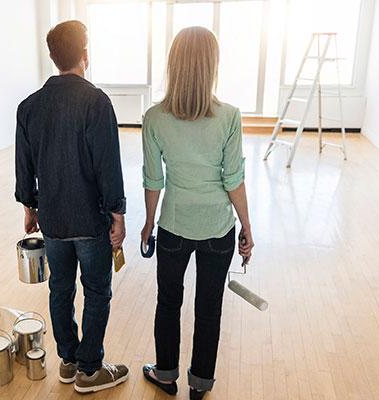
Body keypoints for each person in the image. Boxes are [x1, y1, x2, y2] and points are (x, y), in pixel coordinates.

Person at [14, 20, 129, 394]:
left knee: (60, 289)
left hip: (54, 220)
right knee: (96, 292)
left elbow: (24, 167)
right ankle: (90, 369)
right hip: (90, 220)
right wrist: (118, 214)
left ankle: (67, 360)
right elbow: (108, 165)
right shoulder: (96, 101)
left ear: (52, 56)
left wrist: (31, 207)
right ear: (85, 54)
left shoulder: (29, 107)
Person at [139, 26, 254, 400]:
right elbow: (233, 179)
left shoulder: (154, 117)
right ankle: (200, 385)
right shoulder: (230, 116)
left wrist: (147, 224)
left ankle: (166, 374)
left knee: (168, 303)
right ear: (212, 66)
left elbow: (153, 179)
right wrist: (247, 227)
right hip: (218, 229)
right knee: (209, 310)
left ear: (173, 65)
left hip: (173, 225)